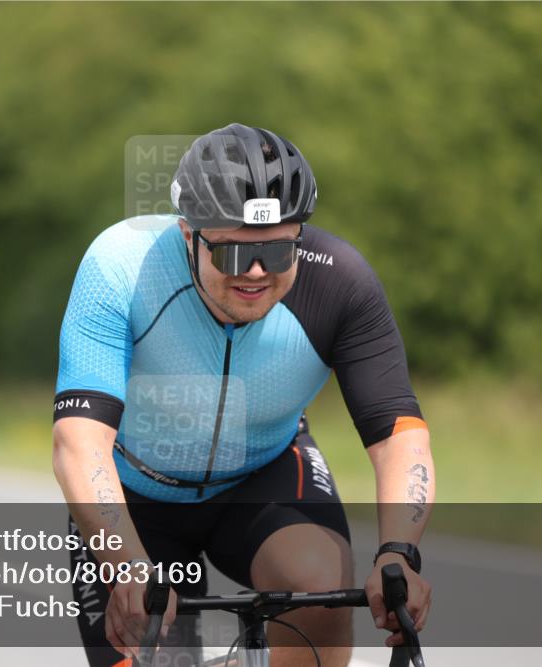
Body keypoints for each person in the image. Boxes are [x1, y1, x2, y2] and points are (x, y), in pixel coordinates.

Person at [53, 123, 435, 667]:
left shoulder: (341, 283)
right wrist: (129, 568)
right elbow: (79, 444)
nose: (256, 273)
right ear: (189, 234)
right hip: (134, 496)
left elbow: (399, 437)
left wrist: (400, 553)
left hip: (262, 475)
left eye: (279, 253)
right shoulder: (120, 267)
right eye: (233, 255)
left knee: (319, 585)